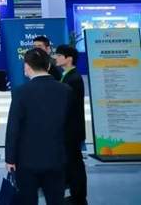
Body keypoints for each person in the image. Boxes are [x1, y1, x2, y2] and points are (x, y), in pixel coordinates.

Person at [5, 48, 73, 205]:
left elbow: (13, 127)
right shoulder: (65, 90)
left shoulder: (21, 92)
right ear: (48, 66)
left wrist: (10, 158)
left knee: (28, 200)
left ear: (27, 66)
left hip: (27, 160)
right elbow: (70, 127)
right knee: (56, 200)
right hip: (57, 158)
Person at [55, 44, 87, 205]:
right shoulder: (67, 76)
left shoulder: (73, 78)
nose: (56, 58)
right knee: (72, 162)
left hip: (72, 130)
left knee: (75, 164)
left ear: (69, 58)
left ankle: (78, 197)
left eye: (59, 55)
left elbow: (68, 106)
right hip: (70, 129)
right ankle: (76, 194)